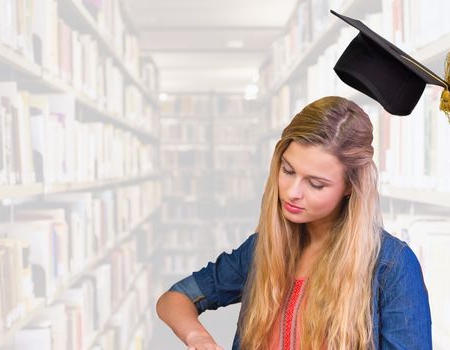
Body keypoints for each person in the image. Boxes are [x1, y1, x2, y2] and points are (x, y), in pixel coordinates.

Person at [156, 96, 432, 350]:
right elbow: (175, 298)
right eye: (288, 170)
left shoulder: (392, 266)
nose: (292, 192)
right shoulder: (262, 249)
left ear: (350, 186)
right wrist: (198, 338)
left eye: (315, 183)